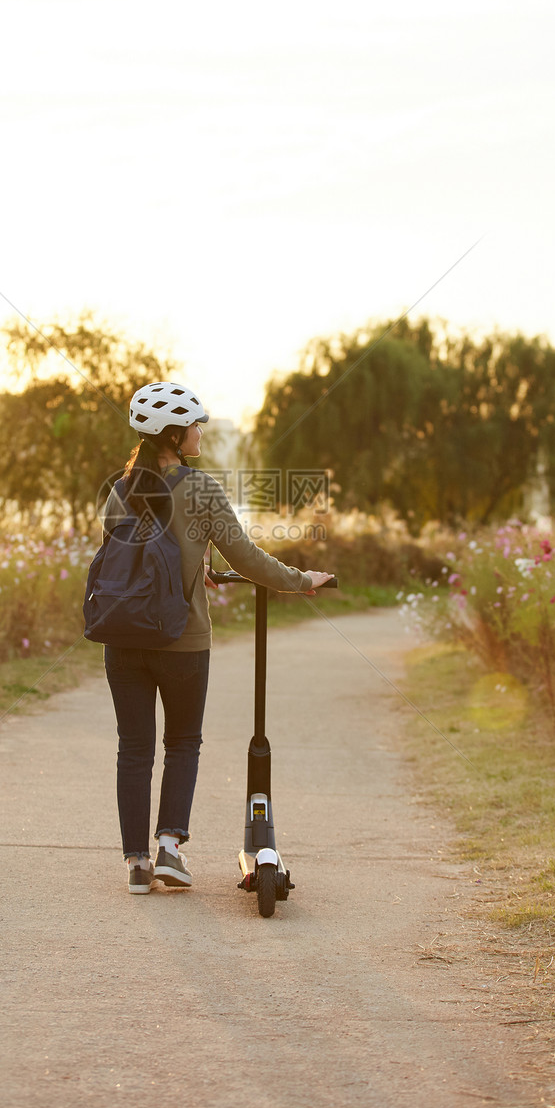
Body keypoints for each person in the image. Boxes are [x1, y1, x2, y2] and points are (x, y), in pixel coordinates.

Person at [100, 381, 334, 895]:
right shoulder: (200, 488)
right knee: (183, 742)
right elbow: (246, 559)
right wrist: (301, 580)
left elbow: (133, 562)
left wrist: (196, 562)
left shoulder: (119, 489)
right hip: (181, 641)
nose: (200, 431)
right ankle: (169, 847)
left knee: (133, 748)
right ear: (175, 433)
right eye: (194, 424)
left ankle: (137, 865)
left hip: (122, 639)